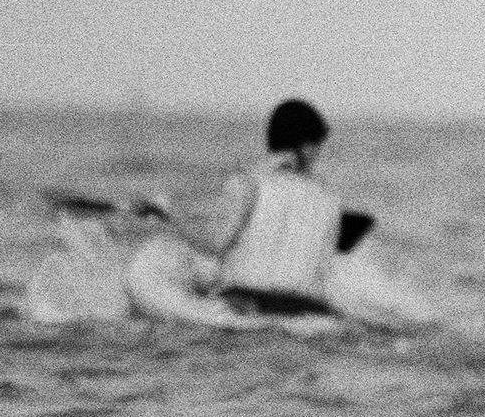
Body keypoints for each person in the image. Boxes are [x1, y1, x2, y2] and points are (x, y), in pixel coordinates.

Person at [148, 97, 349, 315]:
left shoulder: (247, 184)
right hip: (308, 310)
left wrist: (168, 215)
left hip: (244, 304)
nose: (317, 154)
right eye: (318, 146)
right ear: (307, 146)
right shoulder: (329, 198)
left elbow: (215, 245)